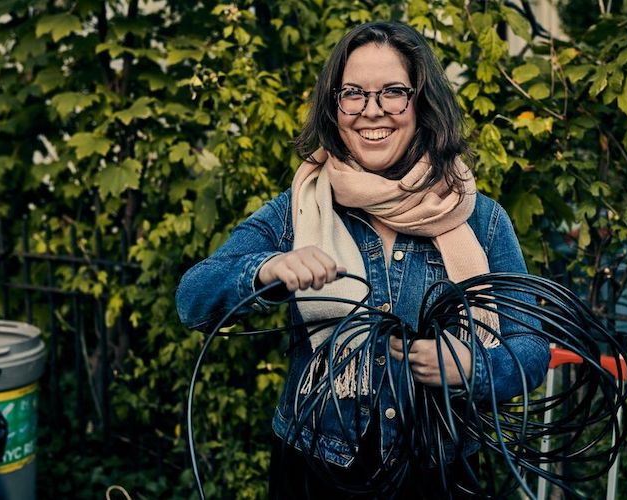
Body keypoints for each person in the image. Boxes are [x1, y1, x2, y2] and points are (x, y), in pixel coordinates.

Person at [176, 21, 550, 499]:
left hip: (438, 471)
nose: (371, 112)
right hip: (316, 471)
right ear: (335, 107)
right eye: (353, 93)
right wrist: (267, 269)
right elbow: (193, 300)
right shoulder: (299, 210)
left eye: (393, 92)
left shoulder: (481, 220)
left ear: (421, 102)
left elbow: (531, 350)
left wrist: (470, 366)